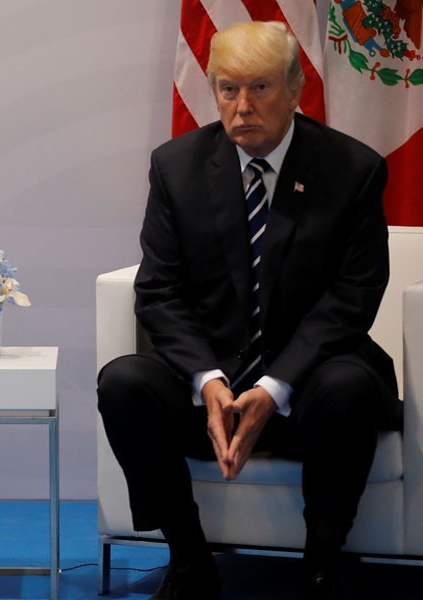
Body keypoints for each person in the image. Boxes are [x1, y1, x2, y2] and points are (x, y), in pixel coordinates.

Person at [97, 21, 401, 600]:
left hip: (308, 382)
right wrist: (207, 379)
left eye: (260, 87)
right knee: (124, 382)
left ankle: (322, 563)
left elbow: (354, 296)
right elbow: (159, 290)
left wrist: (275, 384)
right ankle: (189, 560)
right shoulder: (176, 166)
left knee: (349, 386)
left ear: (295, 89)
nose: (242, 106)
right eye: (228, 89)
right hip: (210, 385)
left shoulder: (352, 169)